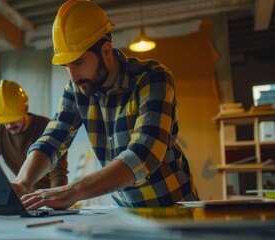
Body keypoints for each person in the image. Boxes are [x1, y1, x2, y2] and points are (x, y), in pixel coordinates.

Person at [12, 0, 199, 209]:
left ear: (107, 51)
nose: (73, 77)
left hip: (174, 207)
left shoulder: (153, 78)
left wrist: (73, 190)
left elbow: (143, 154)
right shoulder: (77, 89)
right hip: (124, 210)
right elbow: (52, 139)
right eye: (66, 66)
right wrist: (23, 182)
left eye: (79, 62)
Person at [0, 79, 68, 191]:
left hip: (47, 194)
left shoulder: (48, 127)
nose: (10, 124)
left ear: (25, 109)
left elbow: (58, 172)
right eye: (5, 120)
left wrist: (57, 198)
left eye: (14, 118)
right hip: (24, 194)